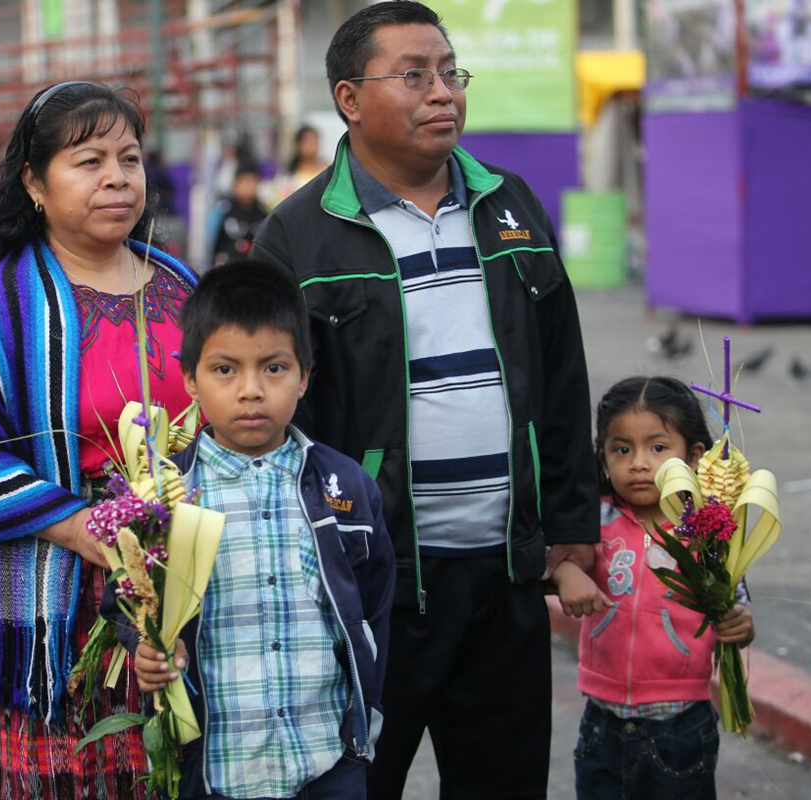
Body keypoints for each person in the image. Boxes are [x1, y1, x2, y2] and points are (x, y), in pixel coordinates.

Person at [249, 3, 599, 797]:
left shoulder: (511, 207)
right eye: (415, 76)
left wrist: (574, 525)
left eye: (450, 72)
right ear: (349, 98)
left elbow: (562, 375)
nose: (443, 92)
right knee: (358, 782)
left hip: (506, 579)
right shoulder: (298, 235)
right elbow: (272, 415)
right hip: (373, 584)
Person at [0, 81, 199, 799]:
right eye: (89, 160)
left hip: (195, 593)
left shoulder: (185, 288)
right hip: (64, 607)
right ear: (34, 184)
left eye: (130, 158)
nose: (116, 176)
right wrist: (81, 526)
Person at [121, 260, 395, 800]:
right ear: (189, 379)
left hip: (326, 765)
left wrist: (364, 722)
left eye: (274, 368)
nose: (251, 390)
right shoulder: (165, 496)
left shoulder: (348, 487)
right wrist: (145, 648)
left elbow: (375, 607)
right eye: (225, 370)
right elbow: (131, 601)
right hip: (217, 769)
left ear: (305, 375)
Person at [550, 377, 754, 800]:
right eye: (621, 449)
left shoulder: (708, 528)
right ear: (603, 459)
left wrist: (740, 624)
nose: (639, 463)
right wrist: (567, 574)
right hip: (601, 722)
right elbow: (556, 559)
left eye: (657, 448)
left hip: (681, 727)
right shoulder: (594, 520)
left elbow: (736, 603)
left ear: (695, 455)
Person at [211, 163, 268, 267]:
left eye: (252, 181)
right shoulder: (224, 211)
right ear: (235, 184)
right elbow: (216, 244)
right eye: (244, 181)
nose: (248, 186)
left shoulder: (263, 214)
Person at [266, 125, 328, 208]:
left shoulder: (328, 171)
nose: (312, 145)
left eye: (314, 141)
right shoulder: (289, 179)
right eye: (308, 141)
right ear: (298, 144)